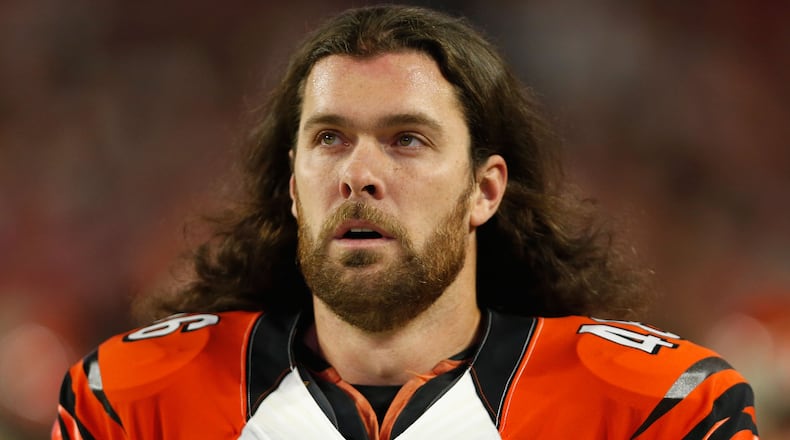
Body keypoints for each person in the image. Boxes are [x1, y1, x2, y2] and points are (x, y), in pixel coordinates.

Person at [52, 4, 759, 439]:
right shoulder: (138, 403)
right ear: (294, 189)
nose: (359, 174)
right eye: (329, 138)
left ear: (485, 190)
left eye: (406, 140)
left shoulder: (651, 411)